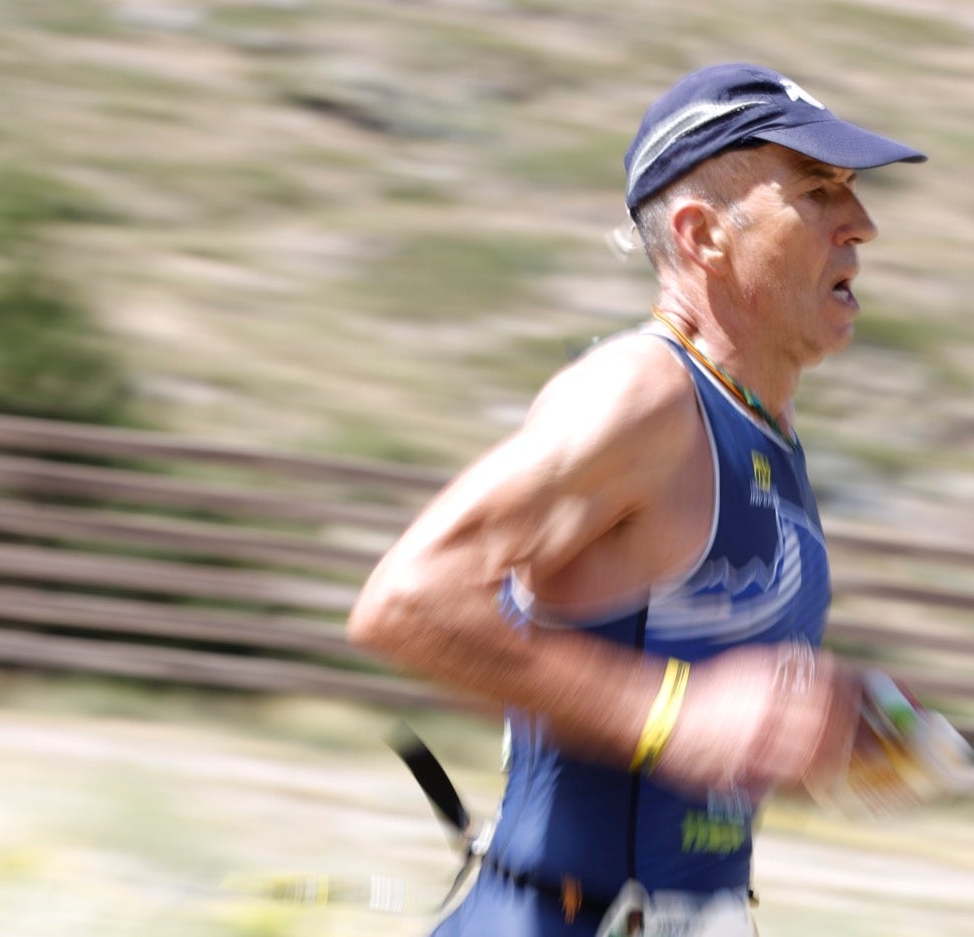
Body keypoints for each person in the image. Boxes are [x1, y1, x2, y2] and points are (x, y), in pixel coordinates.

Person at [347, 61, 928, 935]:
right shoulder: (643, 394)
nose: (863, 226)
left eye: (851, 191)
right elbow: (404, 601)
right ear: (702, 235)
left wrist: (817, 722)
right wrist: (671, 716)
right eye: (817, 192)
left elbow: (689, 678)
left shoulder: (762, 428)